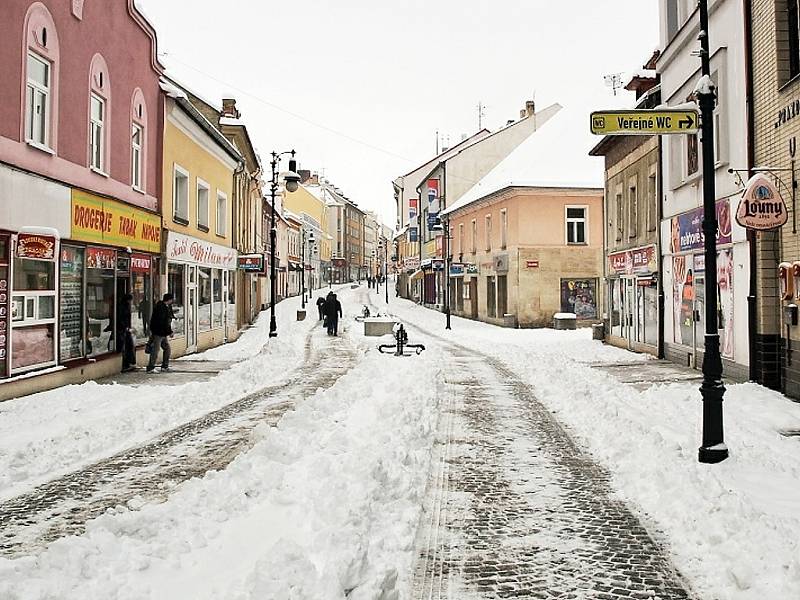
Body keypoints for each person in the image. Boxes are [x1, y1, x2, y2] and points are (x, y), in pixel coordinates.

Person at [147, 293, 175, 373]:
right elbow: (163, 322)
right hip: (158, 333)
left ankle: (165, 366)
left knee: (167, 349)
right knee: (156, 350)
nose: (172, 301)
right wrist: (169, 332)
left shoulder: (165, 307)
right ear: (169, 300)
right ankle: (150, 367)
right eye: (171, 299)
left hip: (162, 333)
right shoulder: (161, 308)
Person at [117, 293, 137, 372]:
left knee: (129, 345)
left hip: (126, 329)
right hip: (122, 329)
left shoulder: (126, 306)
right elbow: (121, 318)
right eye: (131, 300)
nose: (131, 302)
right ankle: (126, 364)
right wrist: (125, 327)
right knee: (125, 346)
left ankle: (129, 363)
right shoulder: (123, 307)